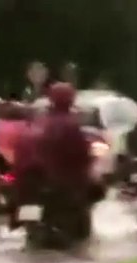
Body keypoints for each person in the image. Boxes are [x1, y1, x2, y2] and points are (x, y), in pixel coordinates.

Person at [35, 82, 94, 238]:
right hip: (67, 178)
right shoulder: (71, 124)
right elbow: (82, 153)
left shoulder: (41, 122)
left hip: (41, 176)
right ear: (70, 100)